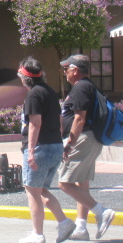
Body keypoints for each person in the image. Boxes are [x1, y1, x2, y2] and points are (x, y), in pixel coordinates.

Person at [58, 55, 116, 240]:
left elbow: (79, 119)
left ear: (75, 70)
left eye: (66, 68)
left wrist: (69, 145)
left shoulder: (81, 87)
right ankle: (81, 228)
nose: (64, 72)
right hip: (91, 138)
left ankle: (102, 212)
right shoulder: (89, 86)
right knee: (81, 183)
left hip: (83, 139)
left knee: (64, 183)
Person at [17, 57, 75, 243]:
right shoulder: (49, 91)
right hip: (55, 145)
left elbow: (34, 123)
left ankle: (38, 234)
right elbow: (59, 121)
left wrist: (31, 151)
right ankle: (64, 222)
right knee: (41, 190)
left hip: (40, 147)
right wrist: (59, 144)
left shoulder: (34, 94)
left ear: (24, 78)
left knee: (33, 192)